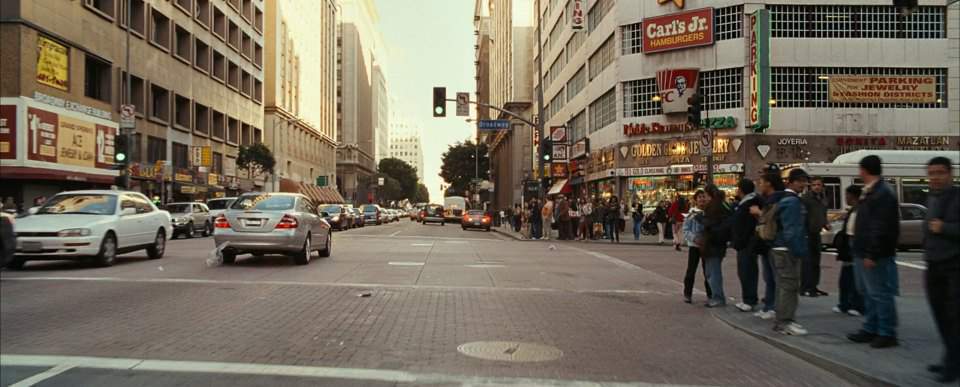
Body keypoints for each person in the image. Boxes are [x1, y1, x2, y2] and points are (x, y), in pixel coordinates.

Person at [847, 155, 900, 349]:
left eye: (860, 169)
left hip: (874, 252)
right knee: (868, 292)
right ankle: (871, 328)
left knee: (879, 292)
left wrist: (872, 253)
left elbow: (881, 226)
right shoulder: (871, 191)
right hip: (863, 249)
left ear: (864, 170)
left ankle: (886, 332)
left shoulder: (882, 193)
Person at [923, 156, 959, 383]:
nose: (935, 177)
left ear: (950, 174)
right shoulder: (932, 198)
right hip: (934, 265)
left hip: (955, 267)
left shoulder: (957, 197)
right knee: (941, 316)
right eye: (932, 173)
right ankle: (950, 357)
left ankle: (952, 365)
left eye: (940, 172)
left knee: (955, 318)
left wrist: (944, 227)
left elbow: (941, 228)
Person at [769, 169, 810, 336]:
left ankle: (782, 320)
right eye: (800, 181)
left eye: (804, 181)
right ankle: (785, 322)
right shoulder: (793, 202)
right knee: (789, 285)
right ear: (791, 182)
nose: (803, 184)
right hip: (787, 249)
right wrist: (799, 250)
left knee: (783, 285)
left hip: (779, 247)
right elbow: (792, 230)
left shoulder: (781, 199)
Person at [732, 179, 763, 313]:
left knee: (747, 271)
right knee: (747, 270)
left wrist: (739, 241)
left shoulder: (749, 204)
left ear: (741, 190)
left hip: (747, 243)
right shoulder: (748, 202)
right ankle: (749, 298)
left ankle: (749, 300)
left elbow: (746, 226)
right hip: (746, 243)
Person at [833, 185, 864, 317]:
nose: (845, 197)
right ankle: (844, 303)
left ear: (853, 196)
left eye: (847, 195)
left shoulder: (860, 210)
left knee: (855, 279)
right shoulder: (852, 210)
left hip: (855, 247)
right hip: (848, 248)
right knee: (845, 279)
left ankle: (857, 305)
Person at [702, 184, 732, 308]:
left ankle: (718, 297)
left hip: (713, 242)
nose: (704, 198)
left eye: (705, 195)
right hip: (717, 242)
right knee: (711, 271)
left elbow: (711, 223)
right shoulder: (723, 204)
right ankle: (717, 296)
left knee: (713, 272)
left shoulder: (714, 206)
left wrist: (701, 220)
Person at [801, 176, 831, 297]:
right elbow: (803, 216)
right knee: (807, 262)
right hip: (807, 233)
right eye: (814, 185)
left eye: (819, 185)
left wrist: (825, 223)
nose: (817, 187)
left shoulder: (823, 199)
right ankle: (805, 287)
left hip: (816, 232)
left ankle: (813, 286)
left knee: (816, 261)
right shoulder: (806, 199)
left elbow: (822, 214)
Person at [682, 189, 711, 303]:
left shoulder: (709, 212)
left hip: (706, 245)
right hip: (694, 246)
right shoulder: (691, 213)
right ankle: (687, 294)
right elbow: (686, 229)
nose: (702, 199)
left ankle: (710, 294)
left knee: (707, 271)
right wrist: (694, 238)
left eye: (703, 197)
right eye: (699, 197)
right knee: (691, 271)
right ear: (696, 200)